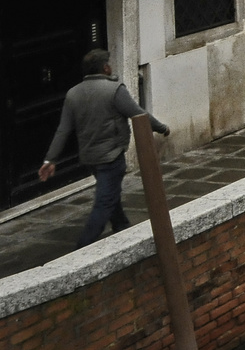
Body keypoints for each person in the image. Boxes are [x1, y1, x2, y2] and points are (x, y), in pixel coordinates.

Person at [38, 49, 169, 249]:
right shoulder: (114, 90)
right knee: (104, 203)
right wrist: (162, 128)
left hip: (90, 159)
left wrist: (50, 160)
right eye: (109, 63)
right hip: (111, 156)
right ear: (105, 67)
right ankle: (82, 249)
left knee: (109, 195)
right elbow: (139, 115)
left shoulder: (73, 94)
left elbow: (63, 130)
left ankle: (122, 226)